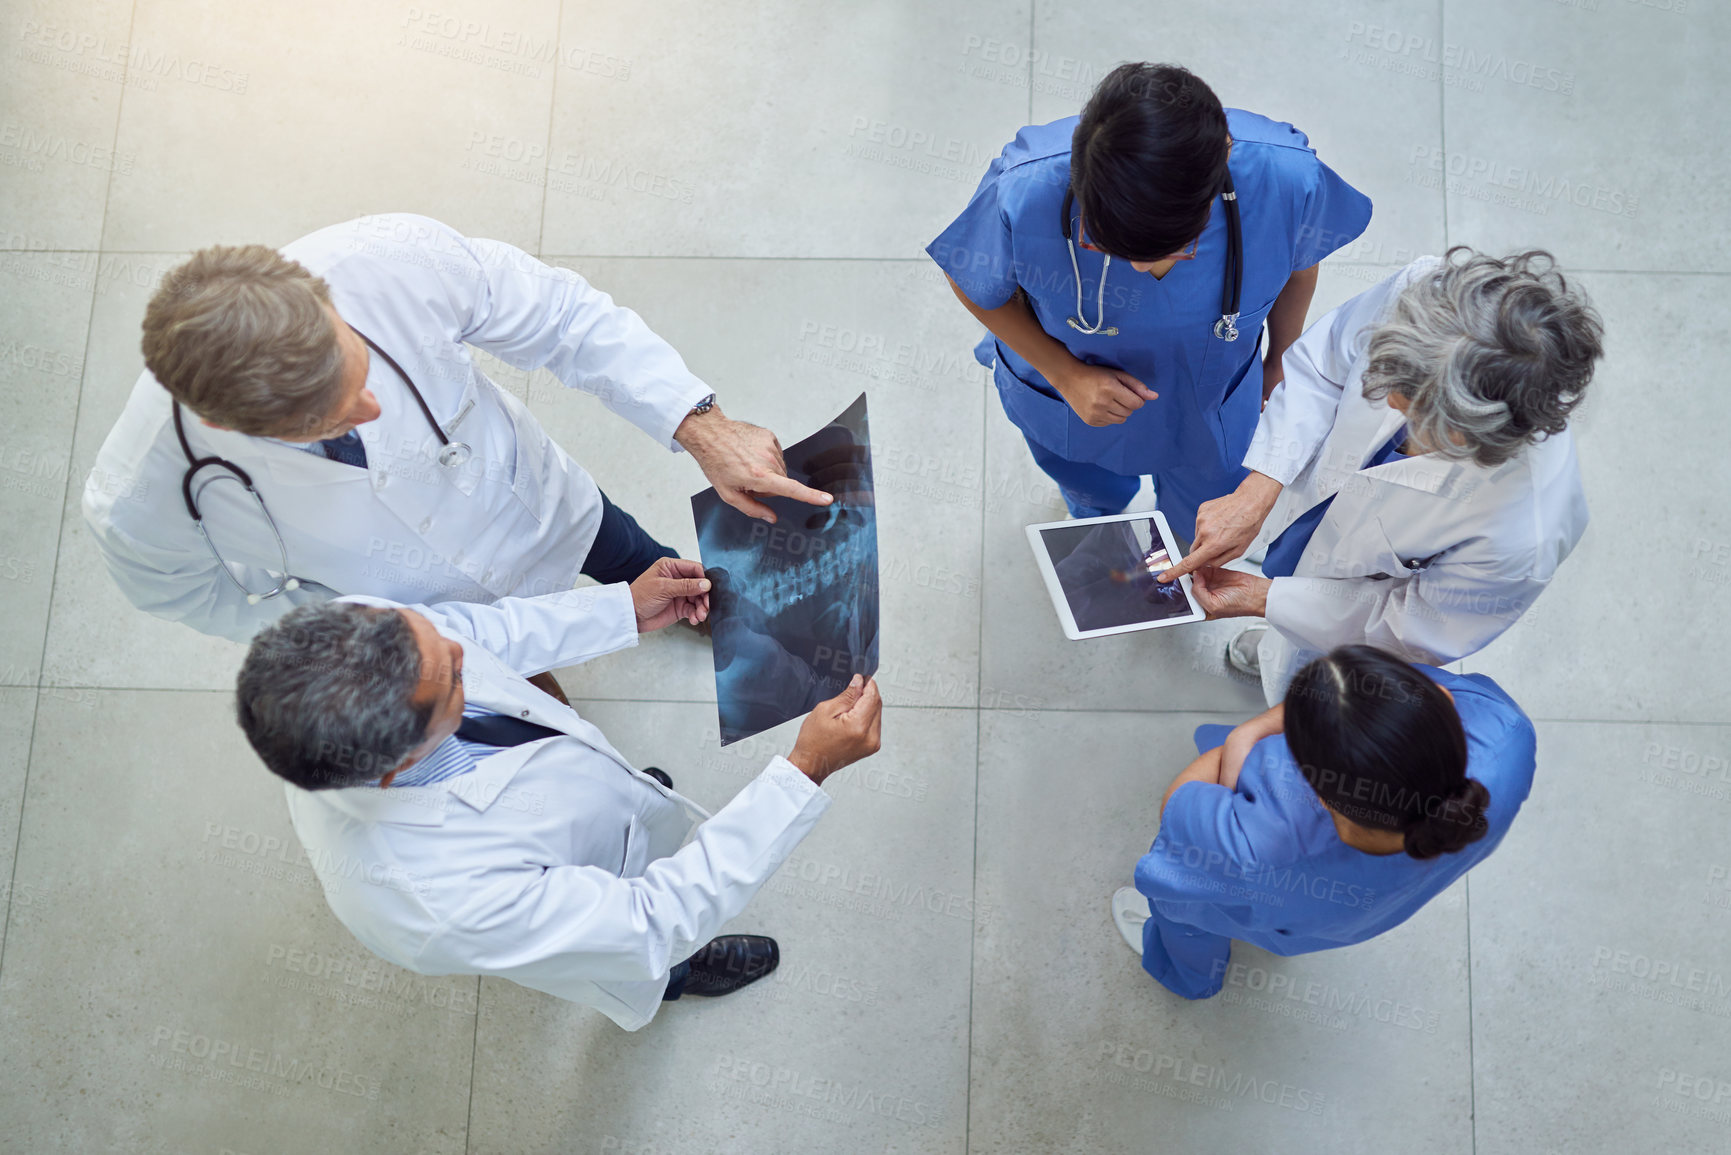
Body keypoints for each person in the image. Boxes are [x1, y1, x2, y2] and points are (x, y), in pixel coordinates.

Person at [84, 212, 831, 700]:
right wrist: (353, 622)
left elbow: (562, 318)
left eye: (361, 371)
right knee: (522, 692)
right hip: (421, 613)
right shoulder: (142, 498)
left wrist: (700, 423)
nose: (373, 410)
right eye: (332, 416)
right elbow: (184, 595)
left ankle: (692, 608)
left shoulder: (383, 260)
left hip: (526, 493)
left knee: (620, 543)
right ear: (223, 422)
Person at [233, 569, 882, 1031]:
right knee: (652, 960)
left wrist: (623, 608)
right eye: (453, 677)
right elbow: (647, 922)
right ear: (395, 764)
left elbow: (479, 631)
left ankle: (627, 803)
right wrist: (804, 771)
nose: (463, 652)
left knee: (622, 797)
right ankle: (682, 976)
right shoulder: (438, 900)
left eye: (428, 634)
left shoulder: (360, 632)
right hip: (613, 924)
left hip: (579, 794)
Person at [927, 62, 1371, 540]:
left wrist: (1280, 359)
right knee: (1095, 505)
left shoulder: (1284, 178)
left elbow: (1299, 263)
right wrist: (1064, 373)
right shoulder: (1026, 187)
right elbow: (969, 278)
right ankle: (1100, 529)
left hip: (1215, 399)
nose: (1140, 269)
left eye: (1180, 246)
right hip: (1070, 402)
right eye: (1110, 247)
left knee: (1199, 519)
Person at [1159, 249, 1604, 703]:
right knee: (1287, 609)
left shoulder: (1524, 534)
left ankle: (1287, 661)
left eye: (1411, 406)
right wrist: (1261, 484)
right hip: (1316, 515)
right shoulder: (1425, 296)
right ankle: (1278, 640)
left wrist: (1264, 600)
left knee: (1310, 680)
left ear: (1472, 435)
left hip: (1350, 622)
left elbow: (1410, 625)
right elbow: (1326, 364)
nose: (1387, 402)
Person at [1109, 645, 1534, 1000]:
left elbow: (1179, 802)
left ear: (1315, 785)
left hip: (1258, 900)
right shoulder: (1508, 735)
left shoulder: (1254, 848)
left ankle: (1190, 977)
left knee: (1185, 914)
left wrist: (1244, 736)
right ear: (1443, 699)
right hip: (1347, 919)